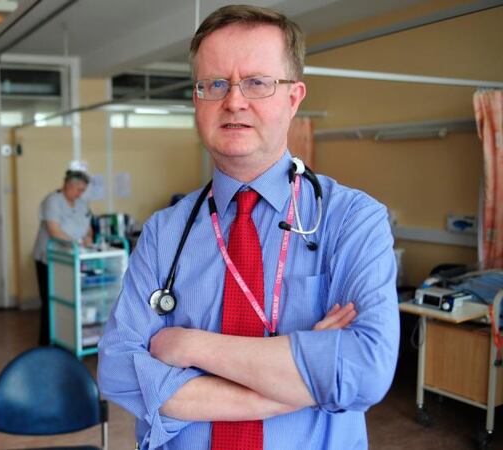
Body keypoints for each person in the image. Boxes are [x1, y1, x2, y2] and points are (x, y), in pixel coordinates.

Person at [97, 5, 399, 450]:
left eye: (258, 82)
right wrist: (289, 387)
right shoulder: (164, 232)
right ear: (197, 99)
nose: (233, 100)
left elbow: (364, 370)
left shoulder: (352, 219)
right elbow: (117, 367)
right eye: (214, 83)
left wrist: (189, 346)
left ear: (294, 98)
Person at [33, 170, 94, 346]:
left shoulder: (81, 203)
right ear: (68, 185)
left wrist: (89, 237)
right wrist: (77, 243)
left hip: (72, 260)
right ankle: (46, 344)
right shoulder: (52, 201)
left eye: (83, 190)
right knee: (51, 302)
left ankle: (67, 339)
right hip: (50, 259)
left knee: (70, 301)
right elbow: (54, 231)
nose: (80, 194)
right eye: (78, 189)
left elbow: (88, 226)